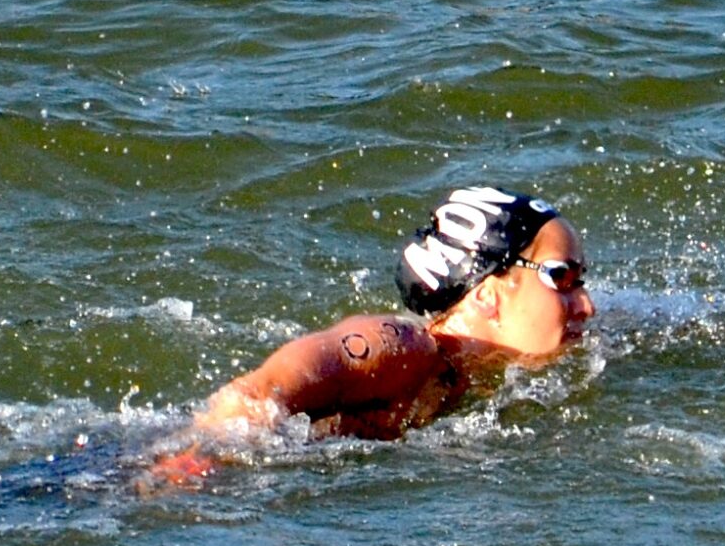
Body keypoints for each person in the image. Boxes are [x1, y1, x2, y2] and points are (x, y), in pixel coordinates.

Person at [150, 186, 595, 482]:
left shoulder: (462, 372)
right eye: (563, 279)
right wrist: (206, 449)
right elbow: (259, 392)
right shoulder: (401, 346)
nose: (587, 305)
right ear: (485, 296)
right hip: (146, 470)